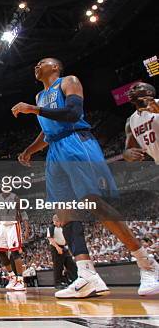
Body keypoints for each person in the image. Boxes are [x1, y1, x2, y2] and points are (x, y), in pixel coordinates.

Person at [12, 57, 159, 297]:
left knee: (94, 203)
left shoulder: (68, 82)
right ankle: (87, 275)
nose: (36, 66)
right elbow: (47, 131)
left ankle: (146, 262)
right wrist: (29, 150)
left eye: (42, 62)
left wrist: (34, 109)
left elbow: (72, 113)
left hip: (76, 141)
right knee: (63, 213)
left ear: (56, 67)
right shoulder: (39, 97)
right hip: (55, 150)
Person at [0, 191, 29, 291]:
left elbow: (23, 212)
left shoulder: (15, 197)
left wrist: (27, 229)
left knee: (15, 252)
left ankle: (20, 280)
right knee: (0, 252)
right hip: (3, 226)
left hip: (13, 225)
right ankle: (12, 277)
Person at [123, 82, 159, 163]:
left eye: (136, 88)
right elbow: (128, 149)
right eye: (130, 90)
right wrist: (127, 154)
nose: (131, 91)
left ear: (148, 92)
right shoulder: (130, 121)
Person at [47, 214, 77, 288]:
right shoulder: (51, 227)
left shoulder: (62, 227)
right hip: (55, 247)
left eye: (59, 221)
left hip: (64, 247)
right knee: (58, 266)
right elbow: (50, 239)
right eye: (57, 221)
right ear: (54, 221)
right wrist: (57, 248)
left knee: (70, 263)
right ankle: (57, 283)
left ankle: (75, 279)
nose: (58, 222)